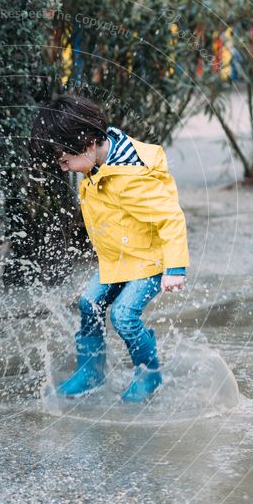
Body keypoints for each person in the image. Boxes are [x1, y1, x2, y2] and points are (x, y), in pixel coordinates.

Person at [30, 95, 189, 403]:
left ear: (88, 143)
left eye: (65, 161)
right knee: (89, 302)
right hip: (117, 260)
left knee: (124, 316)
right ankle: (91, 371)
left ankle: (149, 373)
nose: (64, 169)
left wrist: (175, 268)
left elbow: (171, 218)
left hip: (149, 262)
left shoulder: (134, 176)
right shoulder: (96, 163)